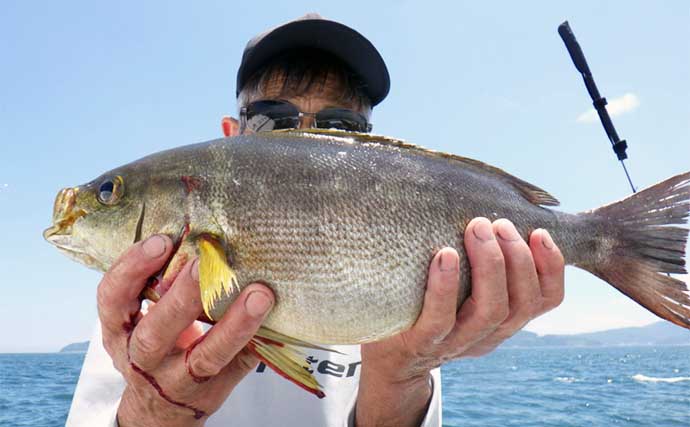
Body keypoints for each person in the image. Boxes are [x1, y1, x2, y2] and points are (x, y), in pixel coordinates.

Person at [67, 14, 565, 427]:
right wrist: (151, 413)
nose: (302, 144)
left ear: (369, 149)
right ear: (229, 135)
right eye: (270, 121)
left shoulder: (412, 296)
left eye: (338, 126)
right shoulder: (135, 314)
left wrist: (398, 376)